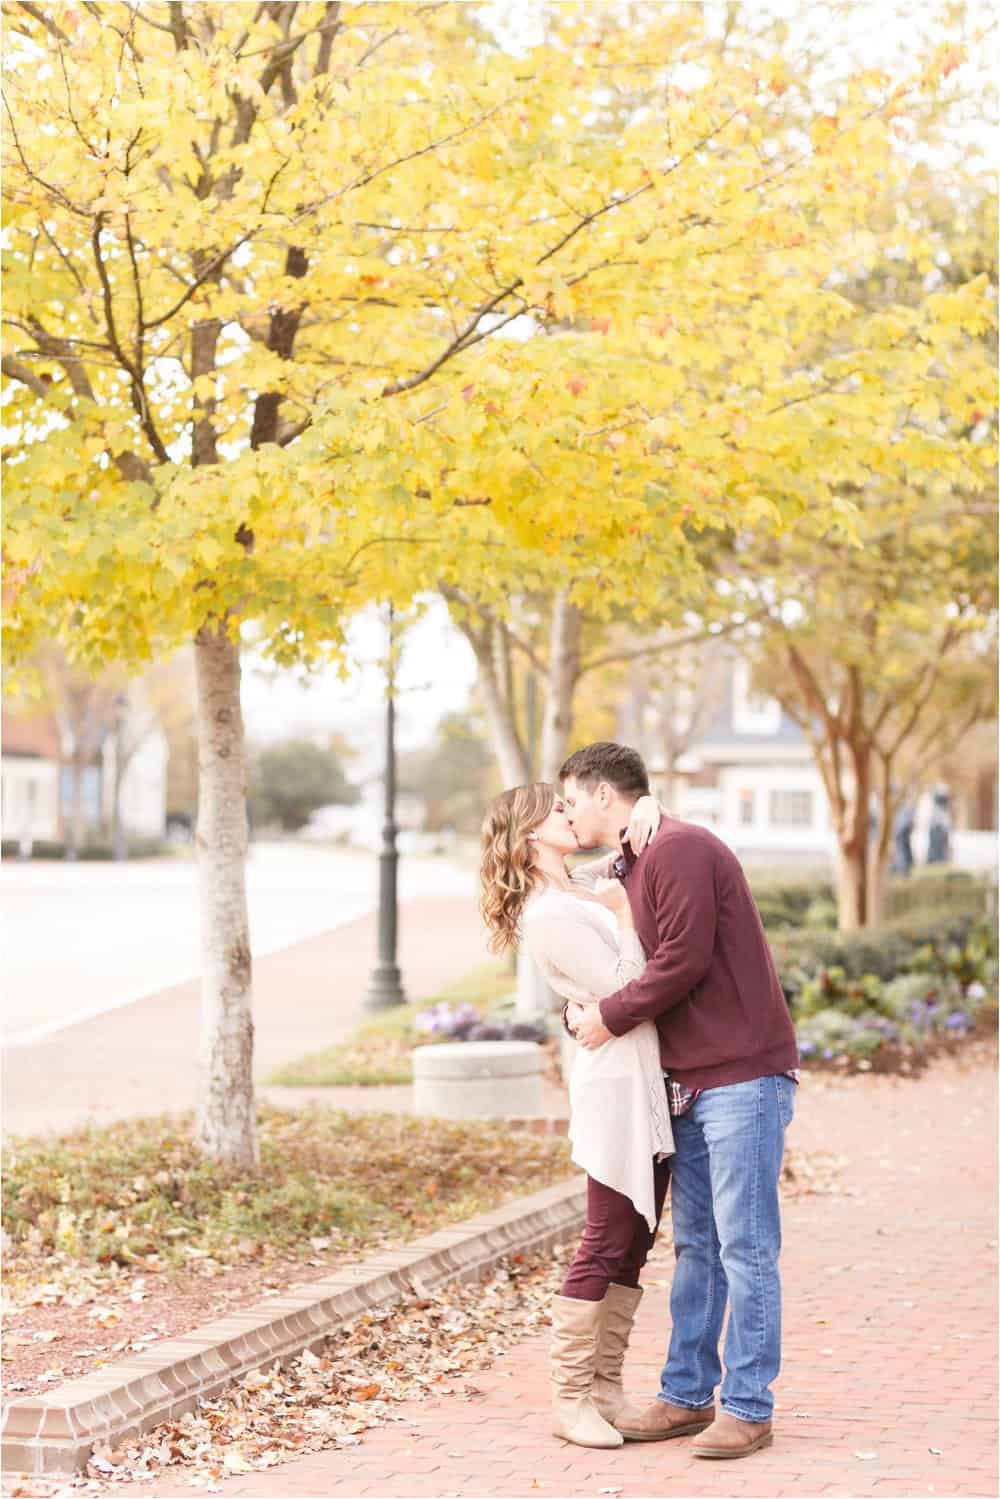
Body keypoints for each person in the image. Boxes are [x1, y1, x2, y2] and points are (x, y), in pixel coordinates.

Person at [561, 741, 799, 1461]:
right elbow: (566, 884)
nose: (567, 812)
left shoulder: (683, 849)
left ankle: (749, 1407)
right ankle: (687, 1396)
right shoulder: (640, 855)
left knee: (745, 1246)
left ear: (607, 795)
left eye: (572, 798)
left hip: (741, 1075)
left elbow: (683, 959)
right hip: (687, 1081)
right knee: (698, 1246)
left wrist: (609, 1013)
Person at [479, 783, 674, 1451]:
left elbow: (630, 848)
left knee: (636, 1238)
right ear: (530, 833)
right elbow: (624, 989)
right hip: (612, 1081)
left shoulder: (578, 885)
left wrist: (647, 804)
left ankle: (605, 1388)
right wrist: (622, 917)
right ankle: (569, 1397)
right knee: (605, 1235)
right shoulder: (549, 913)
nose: (571, 813)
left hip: (642, 1073)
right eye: (556, 810)